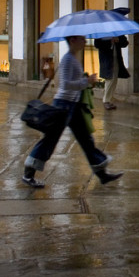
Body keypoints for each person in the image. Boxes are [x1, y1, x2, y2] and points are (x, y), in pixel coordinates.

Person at [22, 34, 122, 188]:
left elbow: (74, 83)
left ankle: (102, 174)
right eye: (81, 39)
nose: (84, 41)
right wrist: (85, 81)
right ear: (72, 40)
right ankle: (28, 174)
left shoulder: (73, 57)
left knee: (85, 139)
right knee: (50, 139)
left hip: (73, 105)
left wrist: (87, 82)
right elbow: (66, 84)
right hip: (63, 104)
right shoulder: (68, 59)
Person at [95, 8, 131, 110]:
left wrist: (117, 39)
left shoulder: (117, 30)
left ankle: (109, 99)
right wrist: (110, 41)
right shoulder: (102, 30)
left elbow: (125, 43)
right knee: (109, 79)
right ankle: (106, 100)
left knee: (114, 79)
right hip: (107, 58)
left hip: (116, 58)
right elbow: (97, 44)